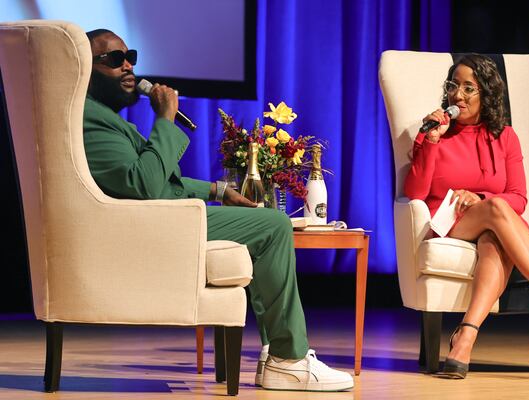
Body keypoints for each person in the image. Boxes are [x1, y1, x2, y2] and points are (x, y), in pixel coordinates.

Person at [82, 29, 353, 392]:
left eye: (130, 55)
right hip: (147, 226)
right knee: (273, 225)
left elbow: (152, 182)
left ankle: (278, 351)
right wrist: (164, 119)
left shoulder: (103, 117)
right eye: (115, 60)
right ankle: (289, 360)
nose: (129, 65)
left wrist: (218, 190)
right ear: (85, 69)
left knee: (265, 223)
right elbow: (143, 185)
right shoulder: (90, 118)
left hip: (154, 217)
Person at [404, 54, 529, 379]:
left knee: (494, 237)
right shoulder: (434, 133)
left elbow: (519, 197)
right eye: (453, 86)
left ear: (486, 94)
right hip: (450, 221)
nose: (457, 95)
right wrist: (429, 141)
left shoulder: (505, 138)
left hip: (494, 222)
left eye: (468, 88)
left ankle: (465, 339)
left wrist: (482, 199)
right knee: (497, 209)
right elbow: (414, 193)